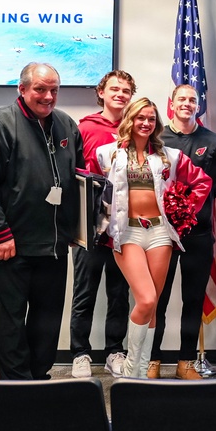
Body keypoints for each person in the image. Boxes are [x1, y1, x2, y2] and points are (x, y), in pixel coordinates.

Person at [0, 63, 84, 380]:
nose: (48, 97)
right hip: (10, 247)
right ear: (22, 89)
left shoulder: (67, 126)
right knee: (10, 325)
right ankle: (15, 391)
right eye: (40, 89)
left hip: (54, 247)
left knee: (46, 324)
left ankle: (38, 382)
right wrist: (1, 234)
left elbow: (79, 180)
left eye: (54, 90)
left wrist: (79, 229)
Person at [89, 97, 211, 377]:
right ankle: (132, 367)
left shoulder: (170, 155)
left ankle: (142, 373)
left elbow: (203, 181)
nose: (145, 123)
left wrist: (184, 210)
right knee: (144, 299)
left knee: (152, 305)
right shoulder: (106, 153)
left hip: (159, 232)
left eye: (151, 118)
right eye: (140, 117)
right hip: (126, 231)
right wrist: (94, 226)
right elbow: (88, 189)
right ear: (129, 119)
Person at [146, 84, 216, 380]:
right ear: (171, 103)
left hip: (198, 233)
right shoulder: (157, 138)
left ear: (198, 105)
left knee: (192, 300)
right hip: (161, 233)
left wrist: (187, 210)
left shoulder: (212, 140)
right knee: (158, 299)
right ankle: (152, 360)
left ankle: (186, 362)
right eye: (182, 99)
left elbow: (213, 186)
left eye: (192, 100)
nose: (187, 104)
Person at [70, 69, 136, 379]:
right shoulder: (84, 127)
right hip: (90, 222)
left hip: (123, 225)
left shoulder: (136, 129)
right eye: (114, 89)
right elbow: (72, 173)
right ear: (102, 93)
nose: (120, 94)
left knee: (119, 291)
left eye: (126, 90)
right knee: (85, 290)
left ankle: (114, 351)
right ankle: (80, 353)